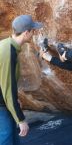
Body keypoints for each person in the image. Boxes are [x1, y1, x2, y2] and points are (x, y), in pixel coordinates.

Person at [0, 15, 43, 145]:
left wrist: (15, 99)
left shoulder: (7, 44)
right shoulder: (8, 52)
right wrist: (21, 119)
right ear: (26, 33)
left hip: (3, 101)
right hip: (1, 104)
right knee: (6, 138)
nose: (33, 33)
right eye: (33, 31)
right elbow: (8, 88)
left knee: (12, 137)